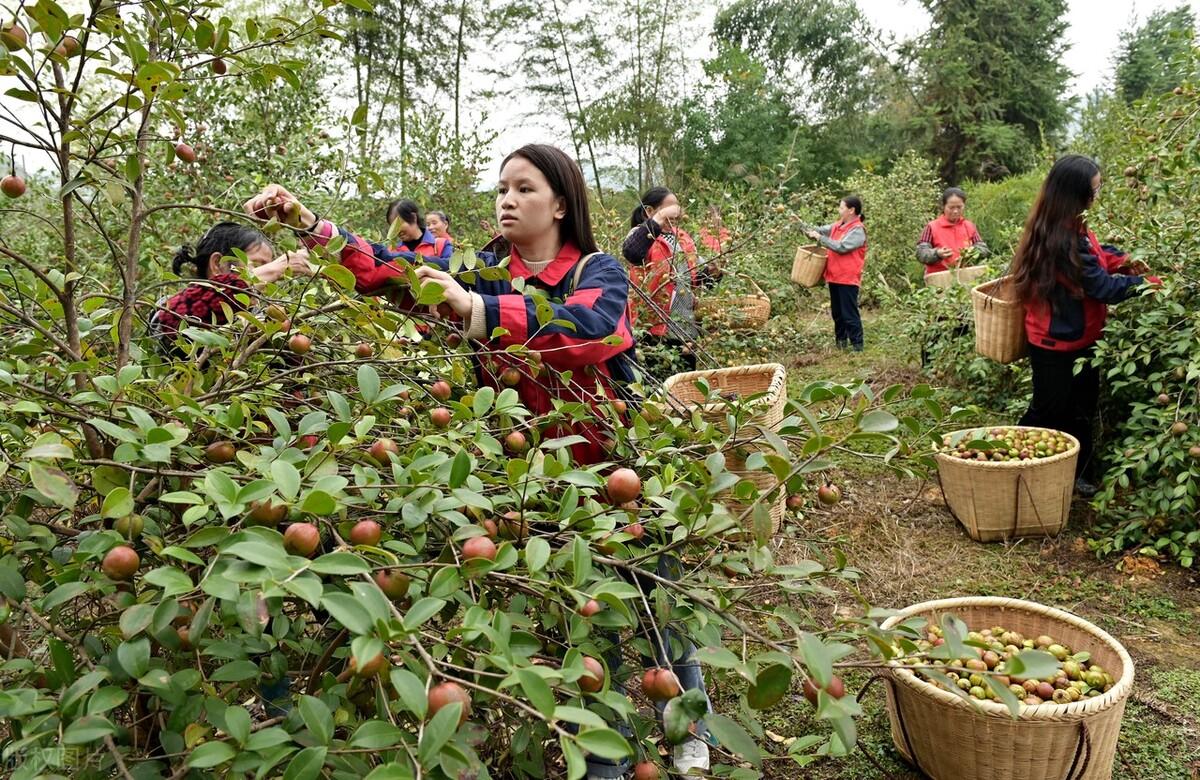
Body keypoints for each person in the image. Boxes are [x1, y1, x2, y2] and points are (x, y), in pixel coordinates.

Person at [244, 146, 711, 776]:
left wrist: (479, 310)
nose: (507, 200)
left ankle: (691, 728)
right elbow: (392, 269)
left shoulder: (598, 270)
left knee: (659, 600)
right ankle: (607, 759)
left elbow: (593, 330)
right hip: (530, 480)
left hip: (611, 468)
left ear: (561, 203)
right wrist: (310, 226)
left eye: (524, 188)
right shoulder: (485, 267)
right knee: (590, 619)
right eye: (501, 189)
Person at [1010, 154, 1157, 496]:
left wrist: (1122, 260)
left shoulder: (1072, 224)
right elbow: (1101, 287)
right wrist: (1149, 283)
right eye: (1095, 189)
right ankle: (1011, 465)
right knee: (1048, 411)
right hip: (1055, 344)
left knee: (1081, 410)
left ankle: (1079, 475)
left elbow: (1094, 253)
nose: (1098, 194)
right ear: (1076, 194)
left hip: (1082, 339)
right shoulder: (1059, 238)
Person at [151, 221, 313, 352]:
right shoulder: (167, 309)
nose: (269, 278)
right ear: (217, 264)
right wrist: (273, 269)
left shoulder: (261, 319)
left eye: (268, 266)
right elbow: (175, 323)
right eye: (256, 264)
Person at [622, 187, 719, 374]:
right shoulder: (643, 235)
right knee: (658, 388)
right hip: (654, 329)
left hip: (685, 329)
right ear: (650, 211)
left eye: (677, 207)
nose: (675, 213)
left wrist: (714, 272)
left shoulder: (683, 238)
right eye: (669, 208)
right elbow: (632, 253)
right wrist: (657, 220)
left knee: (686, 386)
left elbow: (697, 281)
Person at [806, 196, 868, 351]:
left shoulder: (857, 230)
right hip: (834, 276)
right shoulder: (838, 226)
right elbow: (818, 230)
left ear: (851, 210)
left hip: (847, 278)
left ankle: (857, 345)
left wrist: (820, 238)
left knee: (849, 313)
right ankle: (841, 343)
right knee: (837, 313)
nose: (839, 210)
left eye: (841, 208)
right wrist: (800, 224)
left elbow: (841, 247)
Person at [917, 187, 990, 275]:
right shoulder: (932, 227)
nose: (955, 211)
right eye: (951, 207)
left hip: (966, 275)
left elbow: (984, 249)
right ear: (943, 206)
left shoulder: (969, 226)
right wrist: (937, 253)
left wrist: (972, 252)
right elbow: (921, 253)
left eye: (959, 207)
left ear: (964, 206)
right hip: (939, 278)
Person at [385, 199, 453, 262]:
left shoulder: (440, 245)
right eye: (392, 227)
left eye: (398, 224)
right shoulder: (392, 251)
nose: (396, 230)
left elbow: (450, 271)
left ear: (414, 217)